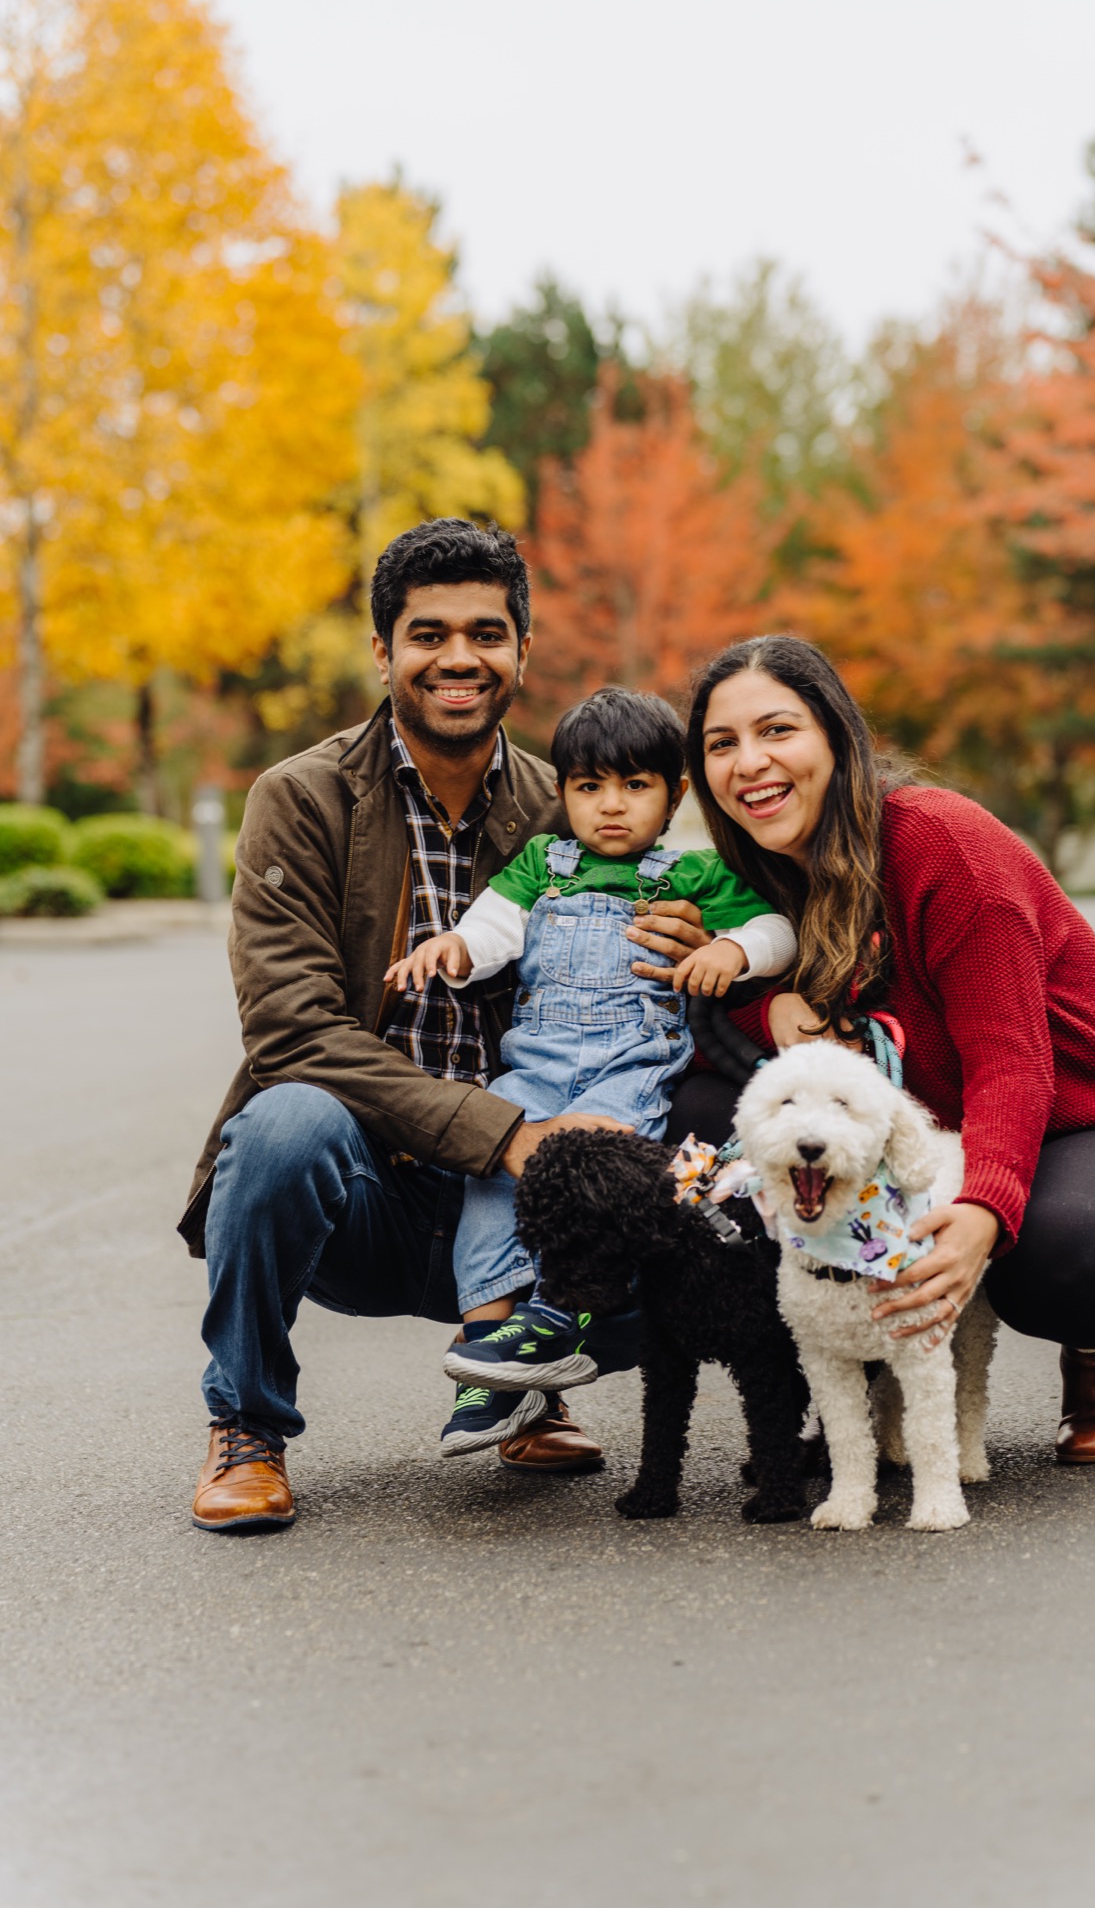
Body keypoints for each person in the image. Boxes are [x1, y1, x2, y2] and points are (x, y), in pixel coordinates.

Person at [179, 520, 709, 1533]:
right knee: (285, 1121)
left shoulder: (578, 807)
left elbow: (653, 1000)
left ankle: (527, 1379)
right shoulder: (300, 797)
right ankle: (245, 1423)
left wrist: (693, 947)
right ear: (383, 652)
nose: (458, 657)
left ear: (522, 649)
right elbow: (291, 1030)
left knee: (681, 1167)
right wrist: (502, 1136)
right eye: (428, 634)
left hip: (539, 1184)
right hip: (374, 1192)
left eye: (486, 631)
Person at [669, 635, 1095, 1465]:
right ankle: (847, 1386)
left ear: (836, 738)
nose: (750, 762)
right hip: (926, 1141)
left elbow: (1010, 1062)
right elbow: (720, 1059)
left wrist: (984, 1211)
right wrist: (760, 1009)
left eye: (777, 730)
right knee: (706, 1132)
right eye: (721, 744)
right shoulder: (749, 885)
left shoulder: (941, 846)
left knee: (1058, 1252)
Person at [384, 686, 796, 1455]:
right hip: (533, 1066)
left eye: (634, 786)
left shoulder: (692, 874)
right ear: (563, 791)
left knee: (591, 1167)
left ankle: (558, 1313)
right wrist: (458, 950)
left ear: (673, 794)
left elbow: (777, 929)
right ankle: (489, 1348)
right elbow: (496, 925)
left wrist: (731, 949)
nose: (611, 806)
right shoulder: (546, 862)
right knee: (490, 1170)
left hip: (628, 1067)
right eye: (588, 787)